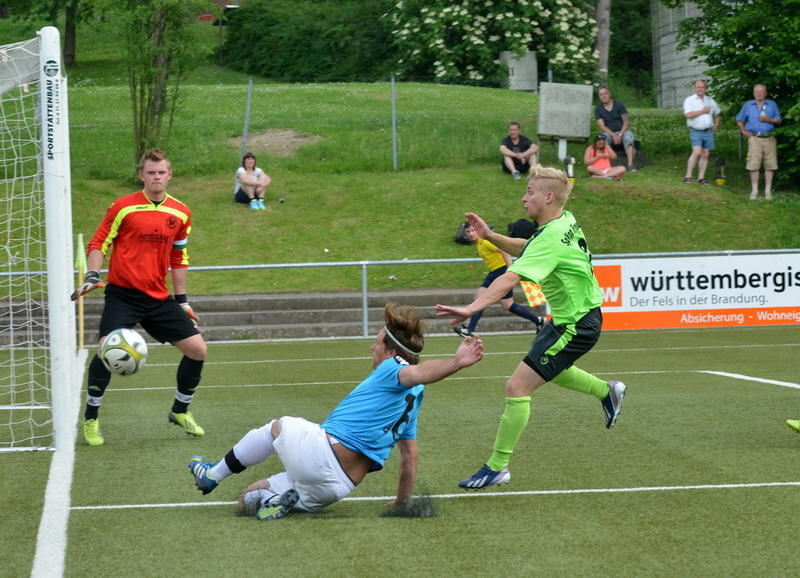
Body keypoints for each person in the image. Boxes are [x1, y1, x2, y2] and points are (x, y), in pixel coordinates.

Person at [187, 303, 484, 520]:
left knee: (277, 426)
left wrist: (456, 362)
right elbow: (410, 457)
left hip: (321, 455)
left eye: (377, 342)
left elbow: (417, 373)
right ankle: (275, 500)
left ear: (392, 352)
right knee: (248, 499)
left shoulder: (396, 368)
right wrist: (403, 501)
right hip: (337, 487)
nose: (372, 347)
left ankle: (211, 475)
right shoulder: (412, 404)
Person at [435, 165, 626, 490]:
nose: (524, 199)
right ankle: (606, 391)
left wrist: (470, 308)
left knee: (517, 387)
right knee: (550, 368)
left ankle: (497, 467)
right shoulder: (563, 221)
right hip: (568, 320)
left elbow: (510, 277)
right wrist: (489, 236)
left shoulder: (551, 236)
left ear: (548, 196)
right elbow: (527, 249)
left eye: (531, 192)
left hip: (576, 325)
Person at [70, 148, 208, 446]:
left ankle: (180, 411)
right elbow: (99, 243)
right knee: (106, 352)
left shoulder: (181, 212)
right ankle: (91, 419)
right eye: (151, 173)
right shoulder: (123, 207)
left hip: (158, 297)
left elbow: (179, 257)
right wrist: (93, 275)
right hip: (123, 295)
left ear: (169, 175)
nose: (156, 177)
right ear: (141, 175)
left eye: (161, 173)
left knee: (197, 349)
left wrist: (182, 300)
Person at [454, 222, 544, 337]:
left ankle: (469, 330)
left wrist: (511, 271)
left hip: (501, 271)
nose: (471, 234)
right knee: (506, 304)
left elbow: (505, 251)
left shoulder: (486, 241)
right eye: (468, 231)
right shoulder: (479, 242)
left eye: (473, 230)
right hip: (494, 273)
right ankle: (538, 321)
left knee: (483, 299)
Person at [735, 84, 782, 200]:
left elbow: (779, 120)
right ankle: (754, 191)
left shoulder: (772, 104)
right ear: (753, 93)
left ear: (765, 93)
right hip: (755, 138)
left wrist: (768, 120)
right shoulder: (748, 105)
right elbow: (739, 119)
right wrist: (744, 131)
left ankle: (767, 192)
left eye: (761, 91)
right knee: (753, 165)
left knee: (770, 165)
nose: (759, 93)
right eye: (756, 91)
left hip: (769, 138)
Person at [682, 79, 721, 185]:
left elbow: (718, 113)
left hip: (708, 131)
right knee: (697, 152)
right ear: (695, 88)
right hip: (696, 130)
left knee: (705, 154)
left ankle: (701, 178)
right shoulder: (689, 100)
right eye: (698, 87)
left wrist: (716, 125)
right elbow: (688, 115)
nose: (700, 89)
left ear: (706, 88)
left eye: (702, 87)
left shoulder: (710, 100)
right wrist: (702, 111)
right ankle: (688, 176)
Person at [595, 86, 637, 172]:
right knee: (602, 140)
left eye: (605, 93)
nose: (604, 96)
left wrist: (620, 134)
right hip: (609, 133)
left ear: (609, 94)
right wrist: (614, 135)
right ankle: (606, 165)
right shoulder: (598, 109)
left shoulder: (619, 104)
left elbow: (626, 122)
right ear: (599, 97)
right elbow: (602, 126)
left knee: (628, 138)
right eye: (601, 94)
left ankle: (630, 165)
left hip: (623, 131)